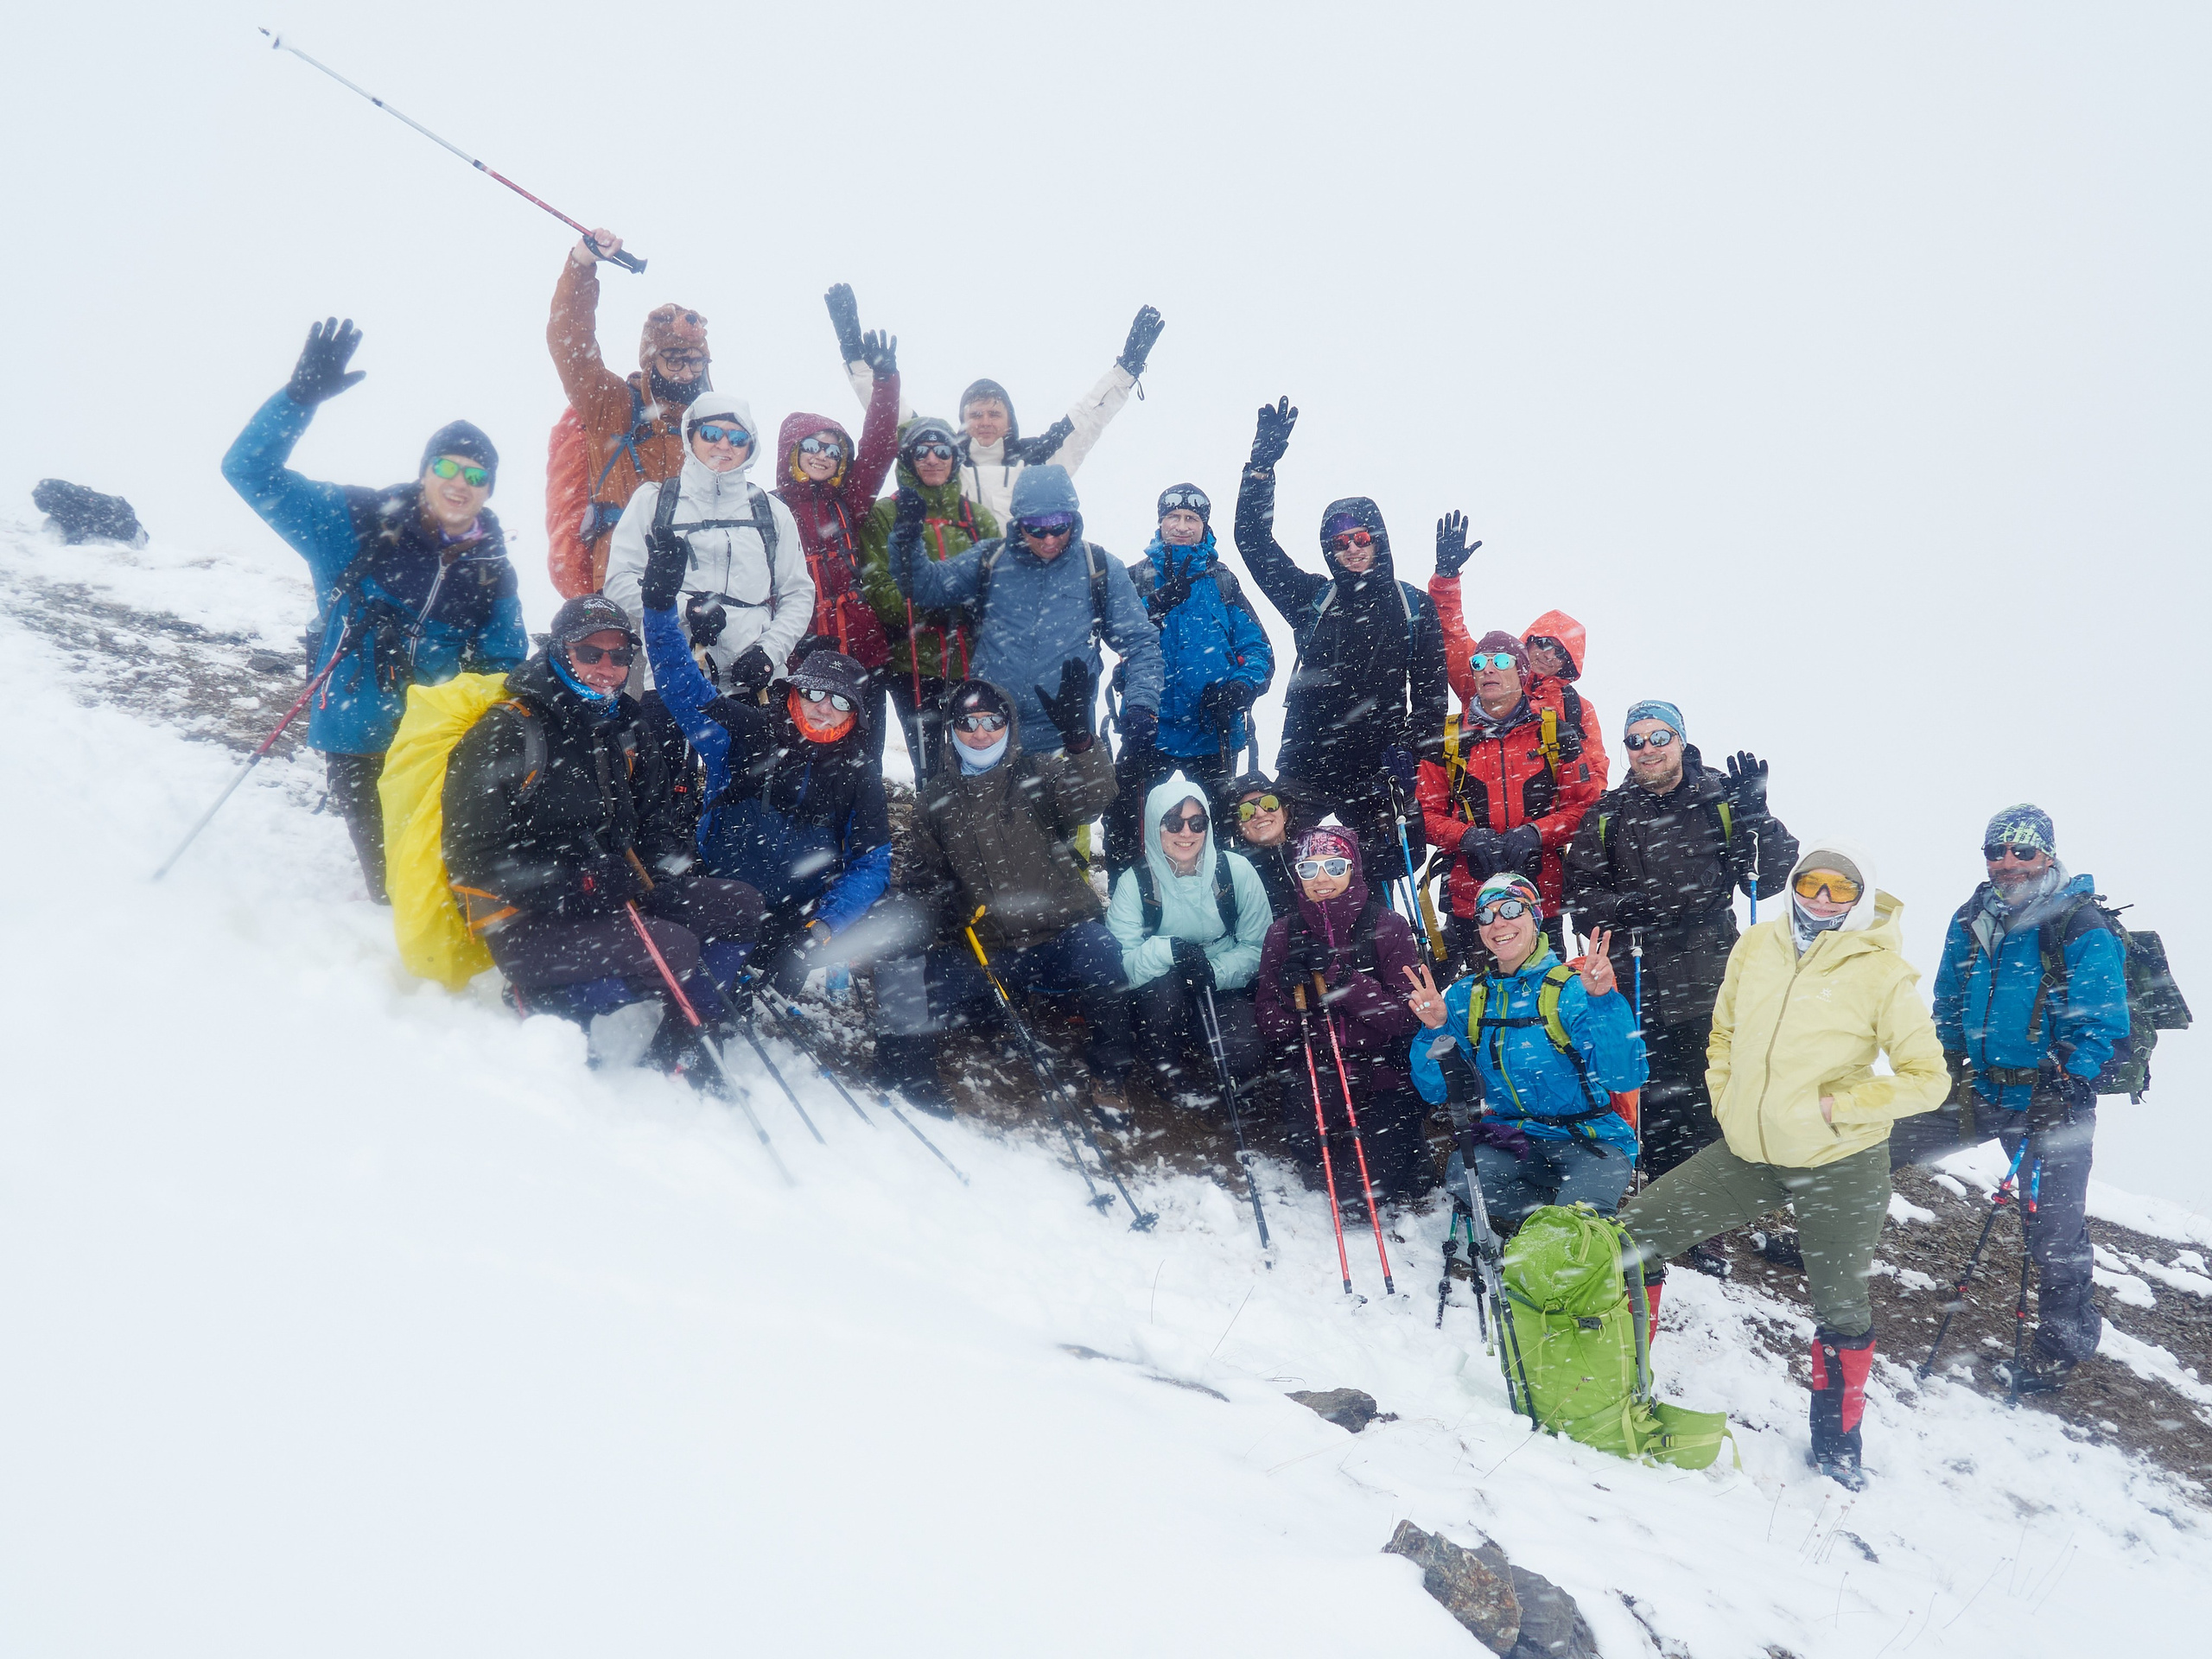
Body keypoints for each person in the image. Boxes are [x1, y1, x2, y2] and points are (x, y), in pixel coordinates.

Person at [1618, 841, 1948, 1489]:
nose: (1822, 898)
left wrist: (1838, 1108)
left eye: (1841, 888)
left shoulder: (1881, 971)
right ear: (1794, 885)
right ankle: (1620, 1380)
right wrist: (1725, 1095)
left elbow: (1928, 1079)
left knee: (1841, 1306)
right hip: (1752, 1151)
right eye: (1811, 883)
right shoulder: (1756, 946)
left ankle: (1837, 1445)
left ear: (1860, 899)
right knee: (1635, 1235)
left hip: (1839, 1159)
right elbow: (1723, 1033)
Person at [221, 318, 527, 903]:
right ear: (425, 470)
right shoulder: (353, 520)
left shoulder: (492, 569)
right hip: (356, 736)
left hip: (435, 746)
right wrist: (298, 399)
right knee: (398, 891)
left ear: (489, 489)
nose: (459, 483)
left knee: (451, 883)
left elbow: (504, 660)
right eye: (446, 467)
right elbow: (248, 471)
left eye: (476, 475)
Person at [442, 595, 764, 1074]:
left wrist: (661, 875)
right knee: (675, 949)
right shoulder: (507, 732)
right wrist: (577, 882)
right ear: (559, 651)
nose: (606, 668)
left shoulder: (625, 724)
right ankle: (551, 998)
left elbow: (657, 821)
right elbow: (472, 857)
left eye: (619, 654)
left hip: (612, 893)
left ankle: (688, 1032)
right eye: (590, 653)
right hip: (525, 920)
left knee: (741, 905)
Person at [636, 528, 890, 1000]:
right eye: (813, 692)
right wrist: (659, 607)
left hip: (795, 921)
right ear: (793, 691)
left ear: (855, 715)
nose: (823, 708)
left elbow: (872, 864)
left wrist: (818, 932)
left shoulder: (859, 773)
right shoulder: (746, 731)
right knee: (710, 1000)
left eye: (840, 701)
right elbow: (679, 684)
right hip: (723, 902)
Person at [1926, 804, 2129, 1393]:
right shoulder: (1972, 917)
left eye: (2023, 851)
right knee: (1877, 1144)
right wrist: (1945, 1059)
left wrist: (2068, 1081)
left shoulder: (2079, 925)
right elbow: (1948, 998)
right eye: (1997, 851)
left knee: (2054, 1230)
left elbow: (2105, 1025)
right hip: (1979, 1087)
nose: (2008, 863)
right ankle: (1828, 1253)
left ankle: (2061, 1346)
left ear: (2047, 854)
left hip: (2054, 1101)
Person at [1562, 699, 1796, 1190]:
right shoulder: (1608, 814)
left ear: (1681, 740)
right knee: (1653, 1094)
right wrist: (1623, 908)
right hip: (1637, 974)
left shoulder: (1721, 799)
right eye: (1635, 740)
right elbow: (1579, 898)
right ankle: (1666, 1195)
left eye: (1660, 737)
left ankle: (1718, 1194)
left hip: (1710, 971)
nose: (1647, 749)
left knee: (1714, 1084)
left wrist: (1759, 815)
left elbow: (1770, 879)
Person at [871, 677, 1132, 1116]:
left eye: (993, 721)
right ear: (952, 729)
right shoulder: (936, 798)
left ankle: (1110, 1073)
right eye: (968, 722)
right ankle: (904, 1060)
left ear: (1008, 725)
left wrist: (1081, 743)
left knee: (1102, 952)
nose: (981, 732)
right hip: (987, 950)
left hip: (1058, 938)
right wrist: (938, 908)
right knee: (915, 981)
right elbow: (922, 880)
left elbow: (1092, 800)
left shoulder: (1037, 773)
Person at [1232, 397, 1447, 867]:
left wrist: (1408, 752)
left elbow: (1431, 699)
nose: (1351, 549)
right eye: (1339, 541)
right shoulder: (1312, 598)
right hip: (1306, 764)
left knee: (1382, 876)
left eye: (1361, 538)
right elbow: (1252, 541)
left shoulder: (1414, 607)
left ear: (1379, 540)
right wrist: (1260, 470)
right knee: (1281, 872)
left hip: (1378, 770)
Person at [1405, 874, 1644, 1233]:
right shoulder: (1467, 997)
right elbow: (1435, 1090)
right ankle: (1541, 1218)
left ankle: (1564, 1222)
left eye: (1511, 910)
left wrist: (1604, 1003)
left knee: (1573, 1226)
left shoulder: (1572, 989)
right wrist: (1434, 1030)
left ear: (1535, 917)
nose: (1498, 923)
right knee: (1464, 1178)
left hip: (1592, 1140)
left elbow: (1622, 1076)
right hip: (1516, 1140)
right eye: (1486, 915)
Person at [888, 464, 1163, 761]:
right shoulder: (990, 560)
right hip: (988, 733)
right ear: (1018, 524)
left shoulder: (1100, 568)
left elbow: (1141, 644)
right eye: (1035, 528)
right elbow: (926, 587)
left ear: (1074, 520)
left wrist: (1141, 705)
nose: (1049, 539)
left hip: (1067, 738)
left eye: (1059, 526)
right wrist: (907, 539)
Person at [833, 291, 1166, 525]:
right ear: (962, 421)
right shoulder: (940, 459)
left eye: (994, 414)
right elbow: (891, 414)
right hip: (956, 591)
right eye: (975, 415)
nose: (985, 422)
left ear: (1009, 422)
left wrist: (1126, 371)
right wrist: (855, 356)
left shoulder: (1037, 462)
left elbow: (1087, 419)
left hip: (1018, 591)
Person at [1254, 829, 1429, 1209]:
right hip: (1320, 1067)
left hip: (1384, 1073)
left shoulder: (1388, 926)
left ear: (1353, 869)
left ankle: (1403, 1144)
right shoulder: (1282, 933)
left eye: (1335, 866)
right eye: (1308, 868)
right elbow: (1268, 1022)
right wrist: (1291, 996)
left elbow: (1405, 1017)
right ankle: (1350, 1145)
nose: (1322, 878)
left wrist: (1341, 977)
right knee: (1307, 1147)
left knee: (1360, 1198)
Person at [1106, 484, 1273, 874]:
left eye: (1191, 519)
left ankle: (1222, 900)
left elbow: (1258, 649)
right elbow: (1110, 631)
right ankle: (1127, 898)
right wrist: (1154, 604)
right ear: (1160, 522)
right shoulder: (1136, 577)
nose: (1182, 526)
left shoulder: (1222, 580)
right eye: (1174, 517)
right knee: (1125, 825)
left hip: (1213, 730)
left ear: (1204, 526)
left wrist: (1239, 688)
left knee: (1218, 832)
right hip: (1149, 729)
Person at [1417, 627, 1600, 965]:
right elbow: (1423, 815)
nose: (1488, 669)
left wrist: (1536, 833)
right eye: (1479, 662)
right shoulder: (1447, 739)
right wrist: (1466, 837)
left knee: (1547, 992)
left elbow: (1586, 808)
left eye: (1500, 661)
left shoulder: (1555, 733)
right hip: (1470, 904)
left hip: (1540, 900)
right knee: (1477, 995)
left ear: (1521, 671)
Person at [547, 228, 711, 594]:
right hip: (623, 577)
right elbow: (570, 343)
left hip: (699, 582)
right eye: (674, 359)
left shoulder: (710, 423)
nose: (687, 373)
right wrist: (582, 264)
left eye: (696, 361)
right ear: (652, 359)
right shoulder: (612, 405)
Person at [774, 313, 903, 761]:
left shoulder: (848, 500)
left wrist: (885, 382)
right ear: (792, 452)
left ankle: (864, 806)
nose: (822, 456)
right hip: (803, 649)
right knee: (802, 753)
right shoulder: (770, 507)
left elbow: (880, 446)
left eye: (833, 449)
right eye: (812, 446)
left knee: (863, 755)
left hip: (862, 649)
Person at [1105, 774, 1273, 1103]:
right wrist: (1169, 951)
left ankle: (1224, 1066)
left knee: (1246, 1054)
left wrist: (1213, 972)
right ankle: (1164, 1065)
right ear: (1155, 826)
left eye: (1197, 823)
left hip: (1220, 985)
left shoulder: (1235, 871)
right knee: (1163, 993)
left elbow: (1259, 947)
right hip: (1161, 987)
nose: (1186, 833)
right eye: (1173, 822)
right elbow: (1121, 964)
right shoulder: (1134, 883)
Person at [855, 415, 1000, 782]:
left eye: (942, 451)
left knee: (982, 758)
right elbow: (877, 585)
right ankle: (933, 813)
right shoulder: (886, 514)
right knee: (930, 764)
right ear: (908, 459)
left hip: (975, 662)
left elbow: (999, 582)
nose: (932, 459)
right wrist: (930, 608)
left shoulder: (976, 518)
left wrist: (975, 609)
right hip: (915, 665)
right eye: (921, 451)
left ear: (955, 457)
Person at [1430, 512, 1610, 794]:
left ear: (1568, 665)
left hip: (1547, 820)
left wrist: (1576, 816)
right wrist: (1446, 577)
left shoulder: (1577, 709)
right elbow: (1451, 633)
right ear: (1529, 642)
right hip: (1477, 814)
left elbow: (1594, 774)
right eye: (1544, 643)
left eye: (1560, 653)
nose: (1548, 655)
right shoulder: (1488, 672)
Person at [1230, 772, 1313, 919]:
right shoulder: (1235, 874)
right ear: (1238, 826)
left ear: (1285, 812)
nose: (1260, 814)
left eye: (1269, 803)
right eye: (1246, 811)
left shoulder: (1315, 851)